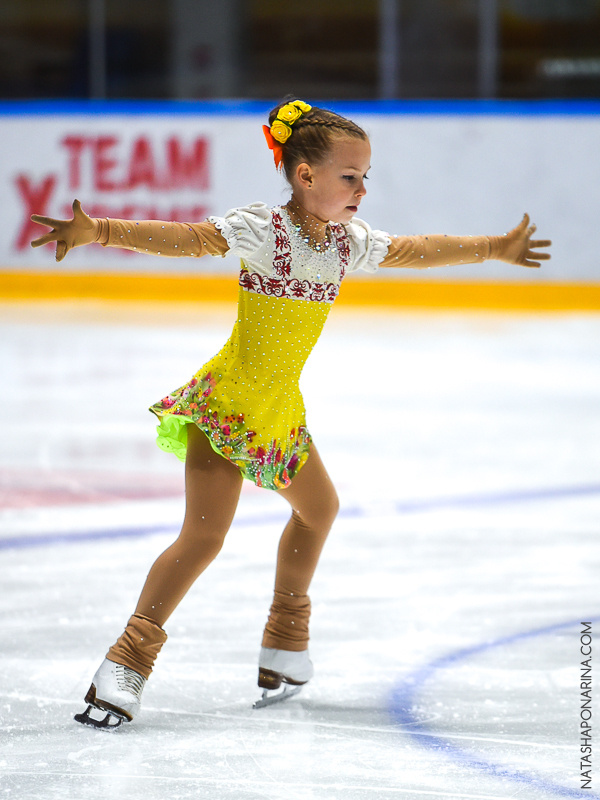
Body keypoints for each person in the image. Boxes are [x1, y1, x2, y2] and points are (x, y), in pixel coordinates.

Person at [30, 98, 551, 728]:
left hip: (278, 410)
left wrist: (494, 246)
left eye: (365, 177)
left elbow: (417, 248)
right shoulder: (263, 231)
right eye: (349, 176)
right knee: (204, 537)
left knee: (318, 509)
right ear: (305, 176)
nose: (362, 189)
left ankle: (283, 643)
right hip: (230, 403)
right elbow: (190, 240)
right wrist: (103, 230)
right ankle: (124, 666)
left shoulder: (345, 244)